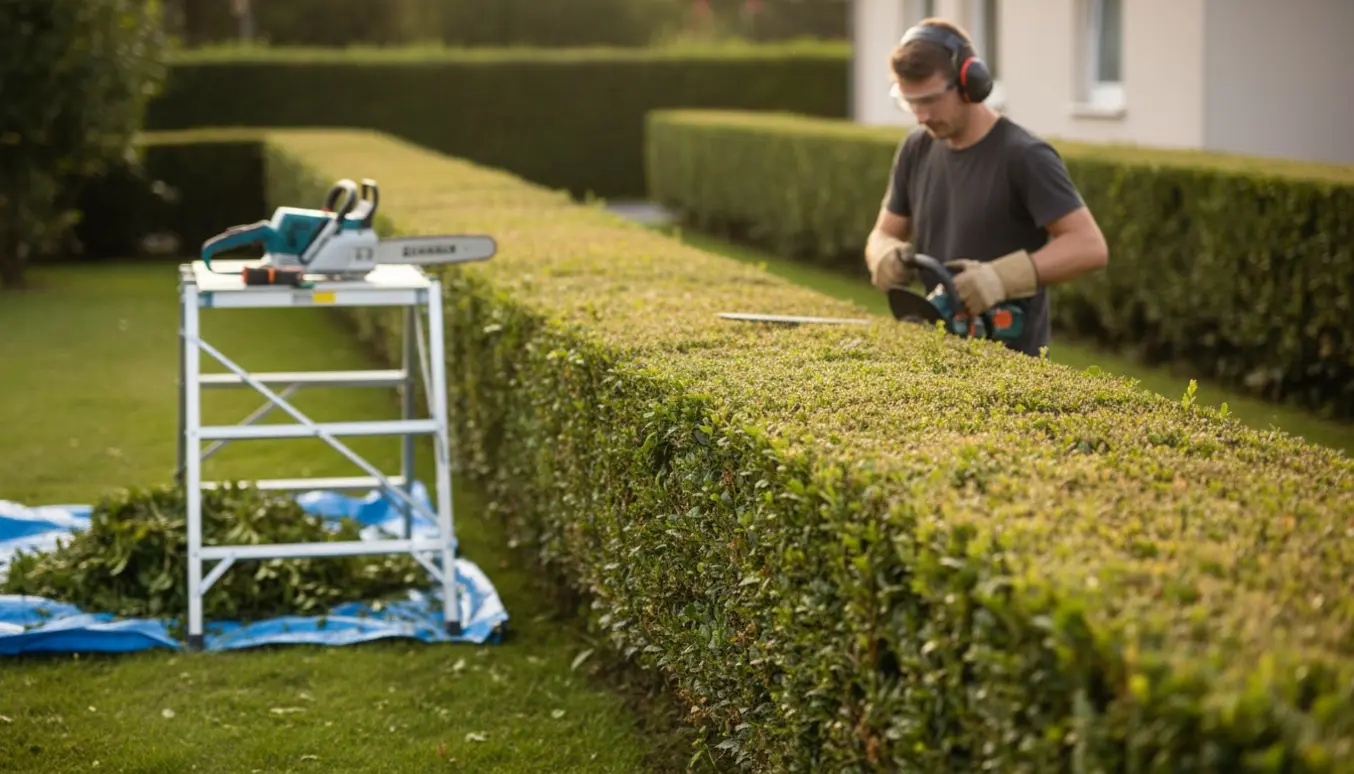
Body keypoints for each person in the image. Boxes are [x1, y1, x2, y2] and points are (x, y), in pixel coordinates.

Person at [864, 17, 1109, 357]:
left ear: (970, 83)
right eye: (910, 103)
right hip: (936, 352)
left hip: (1011, 364)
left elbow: (1089, 246)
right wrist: (884, 254)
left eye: (930, 100)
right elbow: (881, 234)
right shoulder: (916, 148)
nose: (920, 116)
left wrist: (1001, 277)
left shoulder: (1024, 155)